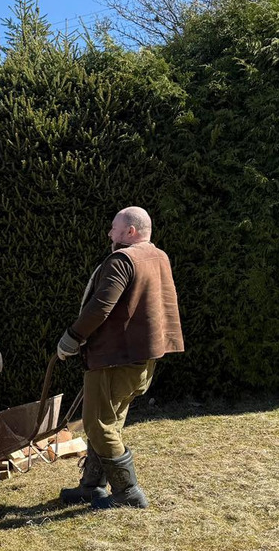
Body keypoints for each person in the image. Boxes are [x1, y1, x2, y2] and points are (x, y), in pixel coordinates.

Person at [56, 207, 184, 510]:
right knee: (110, 422)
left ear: (131, 232)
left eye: (114, 228)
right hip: (142, 357)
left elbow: (101, 306)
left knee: (98, 425)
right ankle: (91, 486)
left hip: (114, 358)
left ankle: (128, 492)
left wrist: (72, 337)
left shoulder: (123, 260)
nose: (109, 234)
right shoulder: (159, 257)